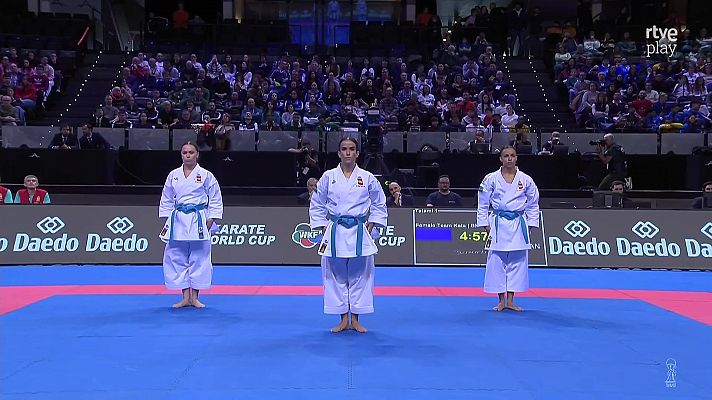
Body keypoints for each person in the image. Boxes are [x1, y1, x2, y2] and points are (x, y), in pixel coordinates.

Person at [309, 137, 388, 333]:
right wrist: (320, 225)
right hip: (335, 230)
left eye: (352, 149)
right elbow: (317, 203)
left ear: (357, 153)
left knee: (361, 275)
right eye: (344, 149)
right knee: (335, 275)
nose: (347, 152)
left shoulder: (368, 177)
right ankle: (343, 319)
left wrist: (374, 222)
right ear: (338, 153)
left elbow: (379, 202)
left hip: (359, 231)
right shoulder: (328, 176)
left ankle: (357, 319)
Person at [159, 142, 223, 308]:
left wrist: (211, 218)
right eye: (184, 152)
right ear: (181, 155)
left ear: (197, 155)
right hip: (178, 218)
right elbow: (166, 197)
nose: (187, 155)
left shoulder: (206, 175)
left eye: (191, 152)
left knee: (199, 257)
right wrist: (167, 218)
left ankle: (195, 297)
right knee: (176, 256)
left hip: (198, 218)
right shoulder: (173, 175)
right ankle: (185, 296)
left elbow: (215, 197)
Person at [476, 146, 540, 312]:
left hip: (518, 223)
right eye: (506, 156)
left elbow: (533, 204)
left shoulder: (526, 179)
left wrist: (531, 225)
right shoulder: (490, 178)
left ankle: (511, 300)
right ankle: (501, 300)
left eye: (512, 155)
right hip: (498, 222)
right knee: (496, 262)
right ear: (501, 159)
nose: (509, 158)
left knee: (517, 262)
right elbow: (482, 203)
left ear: (516, 158)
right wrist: (485, 224)